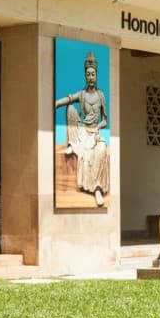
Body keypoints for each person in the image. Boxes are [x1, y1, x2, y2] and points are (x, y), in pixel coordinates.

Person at [55, 50, 109, 207]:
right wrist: (57, 103)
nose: (91, 77)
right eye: (88, 74)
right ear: (85, 76)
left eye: (93, 74)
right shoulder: (83, 94)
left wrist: (98, 127)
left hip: (95, 133)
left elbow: (105, 120)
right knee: (71, 108)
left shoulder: (101, 95)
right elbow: (69, 98)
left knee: (101, 150)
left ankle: (97, 188)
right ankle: (73, 143)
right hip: (82, 131)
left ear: (96, 75)